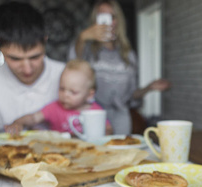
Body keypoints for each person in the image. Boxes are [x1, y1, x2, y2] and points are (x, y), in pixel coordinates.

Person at [68, 0, 170, 135]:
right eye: (102, 16)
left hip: (121, 119)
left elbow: (131, 96)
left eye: (112, 16)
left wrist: (149, 87)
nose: (108, 22)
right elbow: (71, 71)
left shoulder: (129, 55)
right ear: (95, 20)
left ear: (118, 21)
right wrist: (82, 38)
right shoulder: (86, 49)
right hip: (92, 115)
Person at [0, 1, 65, 134]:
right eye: (15, 59)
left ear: (45, 40)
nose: (27, 69)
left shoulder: (67, 75)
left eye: (35, 57)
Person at [5, 59, 112, 135]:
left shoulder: (95, 111)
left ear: (89, 95)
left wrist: (106, 132)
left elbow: (108, 130)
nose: (65, 95)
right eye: (62, 89)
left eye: (73, 92)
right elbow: (33, 118)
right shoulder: (54, 108)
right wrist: (18, 122)